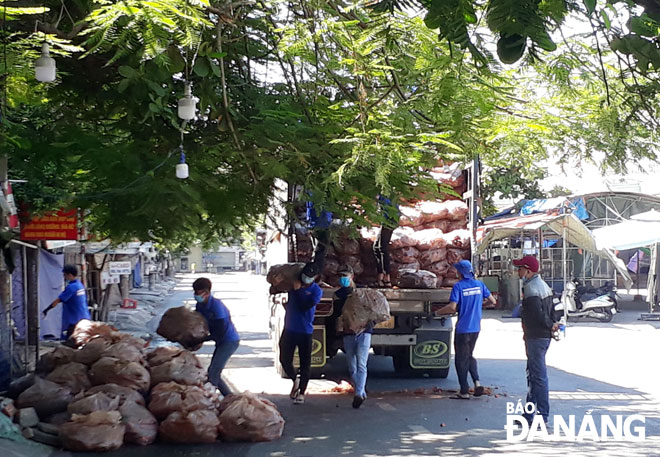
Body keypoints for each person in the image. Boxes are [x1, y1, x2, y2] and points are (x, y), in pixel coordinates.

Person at [435, 260, 496, 399]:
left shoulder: (459, 287)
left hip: (463, 328)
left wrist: (437, 313)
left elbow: (452, 307)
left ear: (460, 272)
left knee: (460, 359)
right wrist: (480, 305)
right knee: (469, 355)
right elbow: (493, 301)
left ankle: (464, 391)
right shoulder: (479, 285)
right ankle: (477, 382)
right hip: (476, 327)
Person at [513, 255, 559, 425]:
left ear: (528, 270)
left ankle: (542, 415)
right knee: (533, 375)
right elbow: (553, 310)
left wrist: (549, 325)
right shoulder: (543, 285)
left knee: (538, 377)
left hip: (536, 337)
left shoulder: (531, 289)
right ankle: (529, 414)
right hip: (542, 336)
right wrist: (553, 323)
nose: (518, 271)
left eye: (520, 268)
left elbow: (537, 315)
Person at [280, 262, 323, 404]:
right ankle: (295, 379)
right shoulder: (293, 285)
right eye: (305, 275)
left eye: (310, 277)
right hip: (289, 329)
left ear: (315, 277)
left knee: (305, 364)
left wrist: (298, 291)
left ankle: (302, 393)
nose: (306, 278)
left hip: (305, 331)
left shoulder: (316, 291)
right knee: (284, 359)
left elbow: (306, 306)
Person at [192, 277, 240, 397]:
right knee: (214, 372)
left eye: (198, 293)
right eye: (195, 293)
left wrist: (202, 339)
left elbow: (220, 331)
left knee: (213, 372)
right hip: (220, 341)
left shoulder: (216, 306)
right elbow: (198, 323)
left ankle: (209, 398)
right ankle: (229, 397)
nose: (196, 296)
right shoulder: (200, 305)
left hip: (229, 341)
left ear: (207, 293)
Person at [333, 264, 372, 409]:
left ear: (352, 276)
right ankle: (360, 391)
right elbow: (337, 315)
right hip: (348, 333)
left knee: (361, 363)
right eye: (341, 276)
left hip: (364, 331)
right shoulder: (338, 295)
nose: (344, 278)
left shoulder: (362, 290)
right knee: (352, 366)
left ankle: (359, 393)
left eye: (346, 275)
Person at [42, 264, 91, 340]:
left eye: (65, 275)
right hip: (84, 317)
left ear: (70, 275)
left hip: (75, 321)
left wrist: (46, 310)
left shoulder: (71, 287)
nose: (64, 277)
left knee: (70, 341)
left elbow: (58, 300)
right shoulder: (79, 285)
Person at [373, 195, 399, 287]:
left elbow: (388, 209)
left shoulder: (387, 192)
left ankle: (386, 278)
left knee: (382, 247)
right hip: (386, 221)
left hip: (389, 221)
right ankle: (380, 275)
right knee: (376, 247)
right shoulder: (382, 193)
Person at [305, 200, 333, 272]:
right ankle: (316, 272)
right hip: (322, 223)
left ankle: (315, 271)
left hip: (315, 223)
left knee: (318, 250)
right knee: (320, 251)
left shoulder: (311, 191)